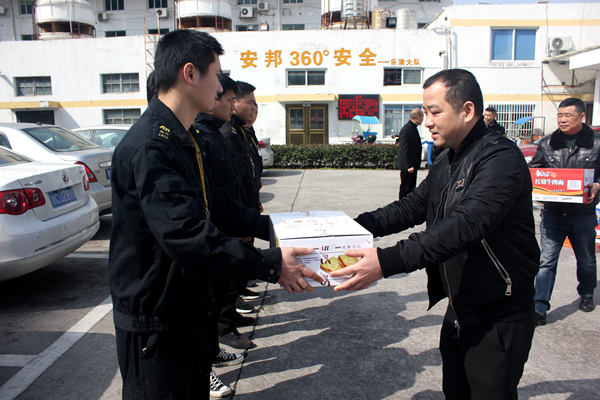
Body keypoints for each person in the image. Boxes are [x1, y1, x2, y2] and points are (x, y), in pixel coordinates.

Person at [109, 29, 320, 399]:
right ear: (190, 73)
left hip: (189, 308)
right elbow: (186, 235)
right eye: (217, 75)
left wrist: (280, 226)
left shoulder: (184, 136)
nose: (222, 87)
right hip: (157, 320)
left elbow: (218, 208)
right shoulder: (151, 146)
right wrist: (271, 264)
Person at [331, 69, 540, 400]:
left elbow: (465, 224)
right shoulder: (447, 159)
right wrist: (348, 228)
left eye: (435, 112)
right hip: (460, 305)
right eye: (425, 112)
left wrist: (386, 261)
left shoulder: (500, 159)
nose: (427, 122)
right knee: (455, 391)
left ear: (467, 110)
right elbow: (410, 208)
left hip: (498, 312)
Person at [529, 97, 600, 325]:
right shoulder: (547, 143)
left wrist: (598, 185)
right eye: (560, 115)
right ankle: (539, 306)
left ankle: (586, 293)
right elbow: (534, 170)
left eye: (568, 115)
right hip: (553, 214)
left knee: (586, 260)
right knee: (546, 261)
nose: (562, 119)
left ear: (582, 117)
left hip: (583, 215)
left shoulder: (596, 144)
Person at [395, 108, 423, 199]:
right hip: (408, 167)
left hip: (413, 166)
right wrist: (408, 165)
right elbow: (404, 149)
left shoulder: (413, 128)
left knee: (411, 188)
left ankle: (408, 206)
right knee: (406, 189)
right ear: (418, 117)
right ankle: (402, 206)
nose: (423, 120)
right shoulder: (406, 129)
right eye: (422, 117)